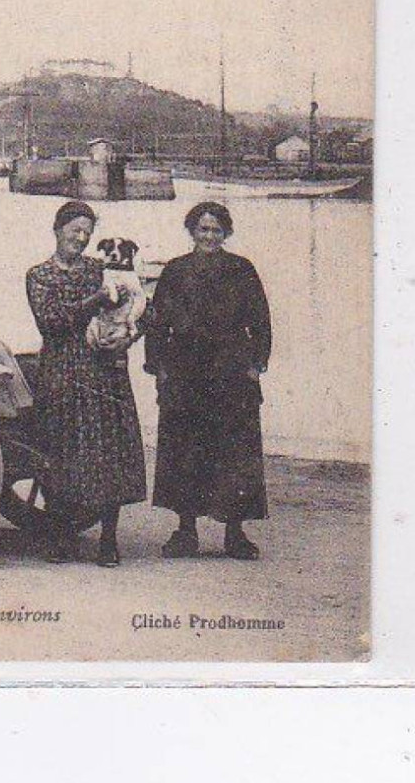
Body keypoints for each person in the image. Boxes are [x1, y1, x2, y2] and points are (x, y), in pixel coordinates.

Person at [145, 201, 272, 560]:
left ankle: (235, 534)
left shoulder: (242, 270)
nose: (209, 236)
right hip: (186, 374)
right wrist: (159, 368)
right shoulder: (175, 271)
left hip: (231, 375)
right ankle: (186, 532)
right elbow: (157, 325)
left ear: (226, 233)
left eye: (216, 230)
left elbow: (260, 322)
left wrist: (255, 366)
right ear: (192, 231)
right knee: (185, 450)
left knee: (234, 452)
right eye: (203, 229)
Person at [25, 200, 148, 566]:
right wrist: (93, 301)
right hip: (62, 370)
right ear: (57, 230)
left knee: (109, 454)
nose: (80, 238)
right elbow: (49, 323)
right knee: (61, 455)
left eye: (86, 233)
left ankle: (108, 540)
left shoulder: (103, 267)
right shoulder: (39, 274)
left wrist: (129, 335)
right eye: (74, 230)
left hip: (104, 369)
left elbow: (144, 307)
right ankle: (63, 537)